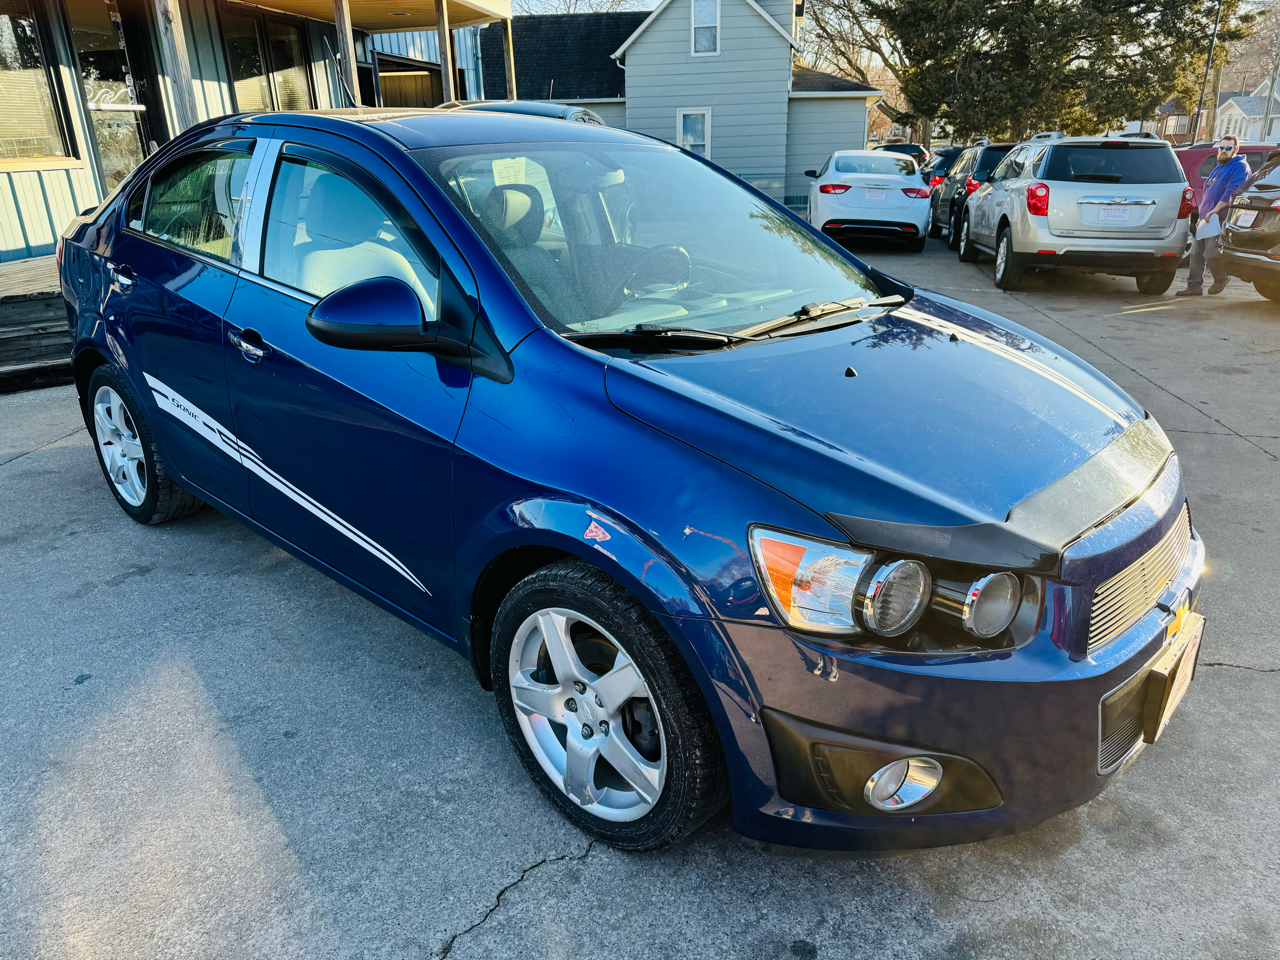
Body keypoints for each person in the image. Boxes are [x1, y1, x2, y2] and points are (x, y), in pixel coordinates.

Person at [1178, 134, 1251, 297]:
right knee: (1196, 253)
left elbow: (1232, 191)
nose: (1223, 151)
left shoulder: (1239, 166)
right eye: (1221, 148)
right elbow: (1208, 193)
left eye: (1227, 148)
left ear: (1236, 149)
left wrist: (1216, 210)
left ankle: (1221, 278)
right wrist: (1203, 216)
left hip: (1221, 217)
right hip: (1208, 217)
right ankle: (1194, 286)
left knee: (1211, 252)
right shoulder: (1219, 167)